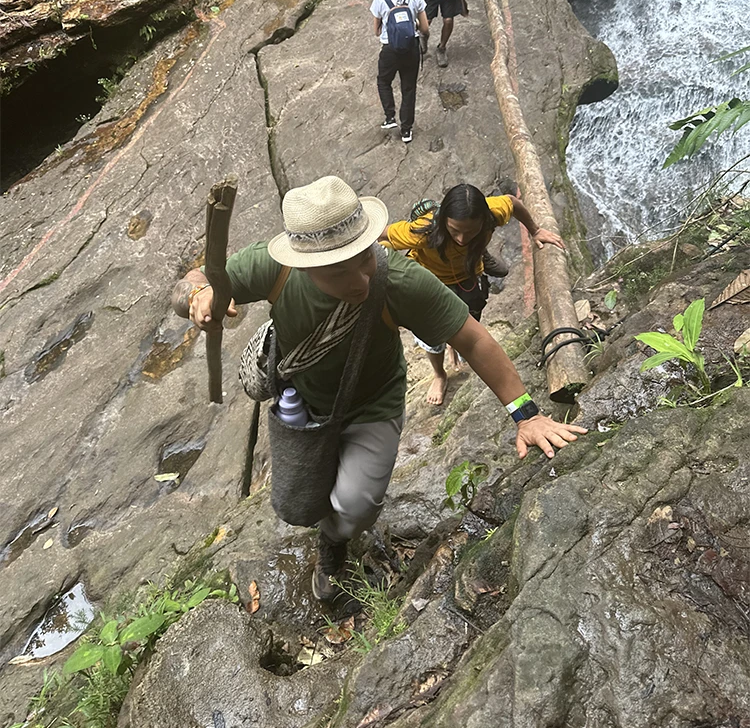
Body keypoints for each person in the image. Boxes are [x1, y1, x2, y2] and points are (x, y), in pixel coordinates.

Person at [172, 176, 585, 602]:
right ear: (302, 263)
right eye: (338, 270)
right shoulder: (274, 268)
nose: (359, 280)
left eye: (362, 258)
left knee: (356, 507)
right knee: (299, 503)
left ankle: (334, 545)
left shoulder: (399, 280)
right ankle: (326, 527)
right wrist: (198, 296)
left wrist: (527, 415)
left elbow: (474, 339)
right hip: (304, 402)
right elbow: (190, 283)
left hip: (374, 403)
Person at [383, 184, 565, 405]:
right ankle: (440, 375)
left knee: (467, 319)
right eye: (454, 230)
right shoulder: (423, 230)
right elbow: (382, 235)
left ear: (483, 221)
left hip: (468, 273)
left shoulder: (492, 212)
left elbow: (513, 201)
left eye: (470, 231)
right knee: (430, 337)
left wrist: (536, 230)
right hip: (430, 281)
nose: (461, 238)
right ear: (443, 222)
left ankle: (455, 341)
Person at [370, 0, 429, 144]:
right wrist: (416, 24)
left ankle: (390, 117)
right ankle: (406, 131)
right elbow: (425, 29)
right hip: (411, 48)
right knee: (409, 88)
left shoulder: (381, 0)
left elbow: (376, 31)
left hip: (390, 50)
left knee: (383, 81)